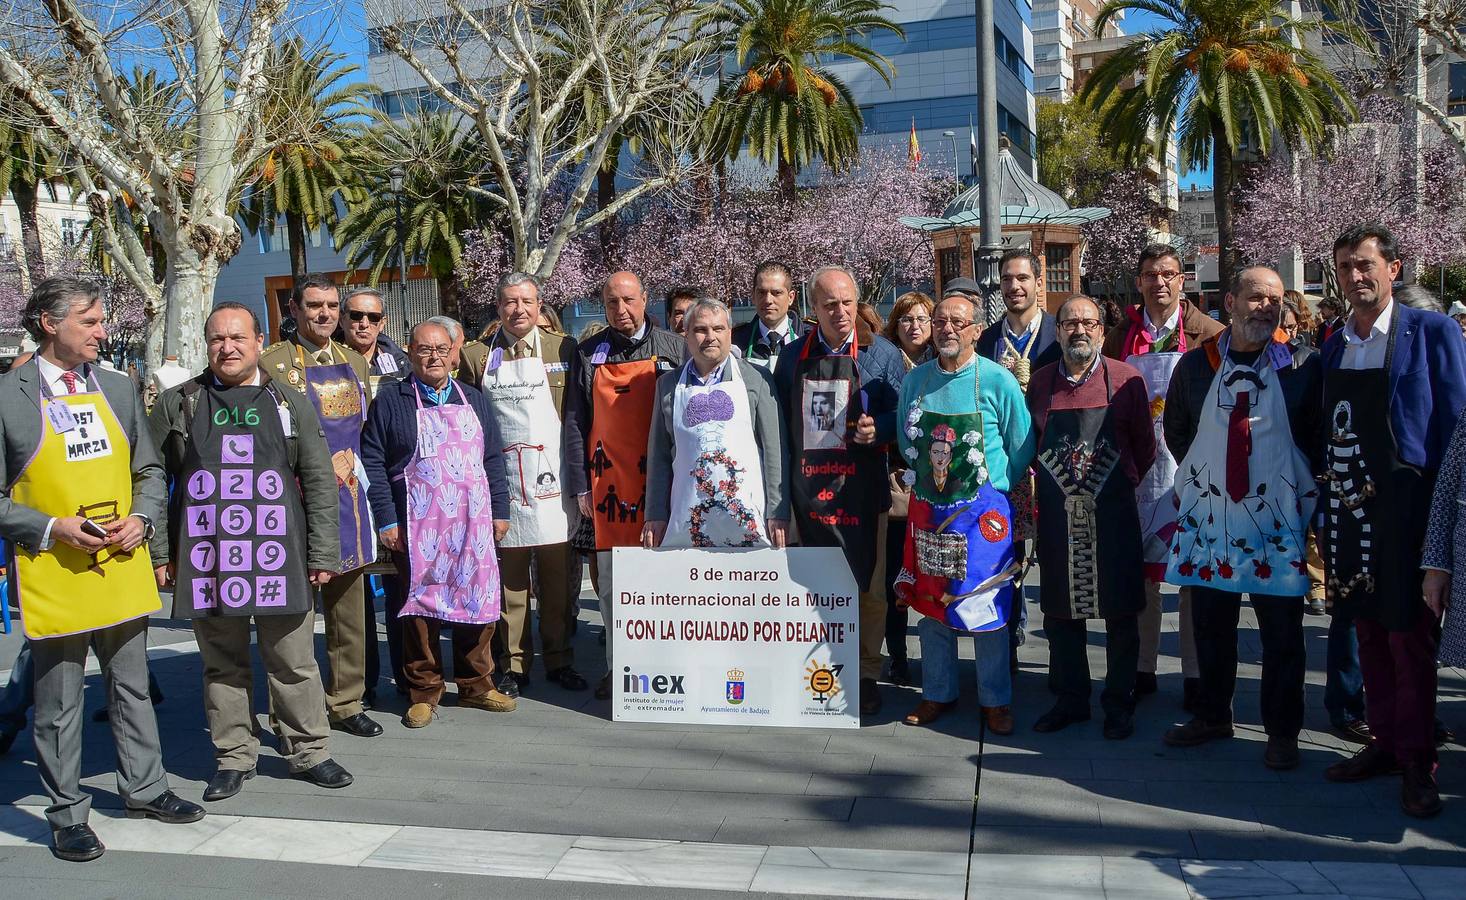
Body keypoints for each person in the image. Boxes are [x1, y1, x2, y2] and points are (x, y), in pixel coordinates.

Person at [0, 276, 203, 862]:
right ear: (48, 323)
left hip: (120, 561)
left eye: (101, 321)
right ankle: (67, 814)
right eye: (89, 322)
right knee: (59, 701)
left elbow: (148, 472)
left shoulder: (116, 387)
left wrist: (142, 519)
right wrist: (50, 528)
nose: (102, 331)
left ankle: (145, 787)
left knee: (132, 687)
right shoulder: (9, 396)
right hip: (53, 569)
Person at [149, 302, 353, 800]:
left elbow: (320, 480)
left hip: (281, 557)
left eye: (238, 338)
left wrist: (324, 552)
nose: (228, 347)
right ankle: (234, 756)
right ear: (206, 345)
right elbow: (151, 479)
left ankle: (308, 751)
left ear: (259, 342)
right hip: (206, 559)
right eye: (218, 339)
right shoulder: (179, 403)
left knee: (294, 662)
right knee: (222, 665)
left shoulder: (289, 402)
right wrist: (159, 551)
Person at [1321, 223, 1466, 818]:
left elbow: (1457, 430)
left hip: (1412, 510)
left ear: (1393, 269)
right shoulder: (1334, 343)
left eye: (1365, 265)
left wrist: (1444, 535)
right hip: (1351, 507)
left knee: (1410, 638)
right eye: (1346, 267)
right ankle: (1382, 742)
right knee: (1367, 629)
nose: (1356, 277)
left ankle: (1417, 762)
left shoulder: (1433, 330)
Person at [1159, 265, 1323, 771]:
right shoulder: (1195, 365)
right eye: (1255, 297)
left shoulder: (1301, 366)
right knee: (1210, 626)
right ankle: (1213, 714)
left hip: (1276, 523)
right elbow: (1177, 430)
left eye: (1274, 298)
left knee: (1281, 636)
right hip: (1213, 518)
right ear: (1229, 302)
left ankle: (1281, 732)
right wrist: (1212, 475)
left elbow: (1315, 436)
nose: (1266, 307)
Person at [361, 321, 515, 727]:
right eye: (424, 349)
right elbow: (373, 463)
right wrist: (386, 518)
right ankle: (424, 690)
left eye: (441, 349)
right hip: (417, 521)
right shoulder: (391, 400)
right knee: (420, 605)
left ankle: (476, 684)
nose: (433, 356)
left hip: (473, 519)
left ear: (452, 354)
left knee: (478, 600)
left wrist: (500, 509)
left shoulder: (475, 399)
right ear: (410, 353)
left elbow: (493, 458)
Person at [893, 289, 1034, 733]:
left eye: (958, 322)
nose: (947, 329)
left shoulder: (997, 380)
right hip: (931, 511)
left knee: (987, 604)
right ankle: (937, 692)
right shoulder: (916, 381)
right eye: (940, 321)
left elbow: (1022, 442)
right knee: (932, 604)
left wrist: (997, 486)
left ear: (976, 330)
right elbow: (903, 438)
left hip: (983, 515)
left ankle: (995, 699)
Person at [774, 265, 906, 716]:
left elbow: (904, 417)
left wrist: (880, 428)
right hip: (809, 494)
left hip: (864, 492)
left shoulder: (882, 354)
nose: (841, 311)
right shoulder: (792, 358)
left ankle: (867, 672)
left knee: (869, 587)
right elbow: (780, 431)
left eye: (847, 302)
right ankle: (816, 665)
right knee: (815, 585)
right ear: (813, 308)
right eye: (830, 304)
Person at [1025, 296, 1156, 739]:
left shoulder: (1127, 380)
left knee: (1122, 614)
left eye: (1088, 322)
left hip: (1114, 514)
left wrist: (1119, 482)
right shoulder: (1041, 383)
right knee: (1061, 613)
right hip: (1059, 518)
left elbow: (1144, 446)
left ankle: (1119, 702)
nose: (1079, 330)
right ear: (1058, 330)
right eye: (1070, 323)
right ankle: (1071, 699)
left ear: (1102, 329)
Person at [260, 274, 383, 738]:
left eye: (333, 306)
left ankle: (347, 701)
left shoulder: (355, 361)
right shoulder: (272, 365)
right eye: (315, 306)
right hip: (298, 500)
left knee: (349, 611)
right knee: (293, 615)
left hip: (350, 499)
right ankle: (292, 710)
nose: (326, 314)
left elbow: (366, 431)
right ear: (294, 310)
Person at [1102, 243, 1223, 708]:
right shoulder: (1120, 337)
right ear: (1140, 281)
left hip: (1193, 467)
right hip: (1138, 470)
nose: (1161, 283)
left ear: (1183, 280)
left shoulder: (1209, 334)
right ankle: (1143, 666)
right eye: (1151, 274)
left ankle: (1194, 673)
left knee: (1193, 575)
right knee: (1143, 576)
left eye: (1169, 274)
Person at [563, 271, 685, 700]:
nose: (621, 310)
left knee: (666, 580)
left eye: (629, 300)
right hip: (609, 487)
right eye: (612, 302)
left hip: (664, 484)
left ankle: (671, 666)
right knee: (614, 585)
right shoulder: (587, 353)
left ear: (645, 298)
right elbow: (575, 423)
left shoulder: (674, 347)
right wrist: (580, 485)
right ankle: (620, 667)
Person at [476, 273, 586, 695]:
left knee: (557, 584)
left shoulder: (564, 349)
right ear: (498, 307)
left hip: (553, 484)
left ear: (540, 306)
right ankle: (515, 664)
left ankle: (559, 659)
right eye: (509, 302)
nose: (518, 309)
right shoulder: (477, 355)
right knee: (511, 586)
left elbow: (578, 415)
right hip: (504, 488)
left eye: (526, 301)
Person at [975, 251, 1063, 667]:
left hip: (1054, 467)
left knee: (1056, 563)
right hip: (1005, 471)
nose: (1014, 286)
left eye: (1023, 278)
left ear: (1038, 282)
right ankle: (1004, 649)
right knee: (1003, 559)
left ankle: (1062, 661)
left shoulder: (1059, 334)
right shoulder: (988, 340)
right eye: (1007, 279)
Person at [645, 299, 788, 550]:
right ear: (686, 334)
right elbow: (658, 456)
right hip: (686, 519)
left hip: (751, 519)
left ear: (729, 333)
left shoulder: (756, 379)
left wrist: (779, 511)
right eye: (700, 330)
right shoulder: (667, 386)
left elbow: (775, 450)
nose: (710, 337)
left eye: (718, 329)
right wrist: (655, 514)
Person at [881, 291, 935, 685]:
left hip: (938, 483)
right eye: (905, 319)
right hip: (896, 483)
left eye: (921, 318)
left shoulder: (944, 361)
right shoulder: (884, 361)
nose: (914, 326)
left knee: (935, 574)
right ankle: (897, 654)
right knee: (893, 576)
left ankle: (937, 659)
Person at [731, 261, 810, 371]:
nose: (768, 300)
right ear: (753, 296)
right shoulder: (735, 341)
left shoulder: (810, 340)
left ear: (791, 297)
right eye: (761, 292)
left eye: (776, 293)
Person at [339, 287, 409, 391]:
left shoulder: (402, 363)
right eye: (356, 315)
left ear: (382, 323)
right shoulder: (326, 362)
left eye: (374, 317)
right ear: (341, 320)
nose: (364, 324)